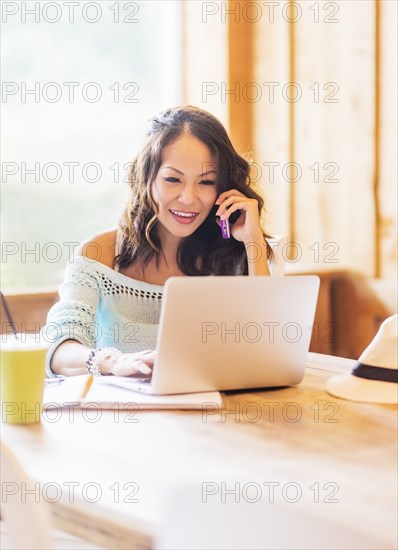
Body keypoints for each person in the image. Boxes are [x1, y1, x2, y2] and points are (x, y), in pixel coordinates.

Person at [44, 105, 273, 378]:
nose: (189, 198)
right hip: (122, 415)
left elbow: (268, 351)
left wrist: (254, 244)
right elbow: (59, 349)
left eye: (206, 182)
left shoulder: (233, 254)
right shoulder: (100, 253)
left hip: (214, 412)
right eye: (173, 179)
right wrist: (112, 362)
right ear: (147, 179)